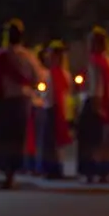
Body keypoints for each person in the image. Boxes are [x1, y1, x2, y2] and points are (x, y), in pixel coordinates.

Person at [0, 19, 39, 189]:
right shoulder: (28, 56)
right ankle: (12, 173)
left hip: (3, 101)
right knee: (17, 138)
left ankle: (6, 172)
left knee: (3, 137)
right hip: (21, 101)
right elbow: (37, 79)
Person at [76, 27, 109, 183]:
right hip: (107, 101)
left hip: (95, 100)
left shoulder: (95, 61)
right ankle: (104, 169)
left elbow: (95, 85)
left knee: (89, 138)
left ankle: (90, 169)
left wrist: (95, 104)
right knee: (103, 138)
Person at [37, 41, 72, 179]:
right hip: (50, 108)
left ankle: (55, 167)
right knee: (49, 141)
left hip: (56, 109)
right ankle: (50, 168)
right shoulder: (47, 74)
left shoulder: (61, 74)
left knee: (54, 141)